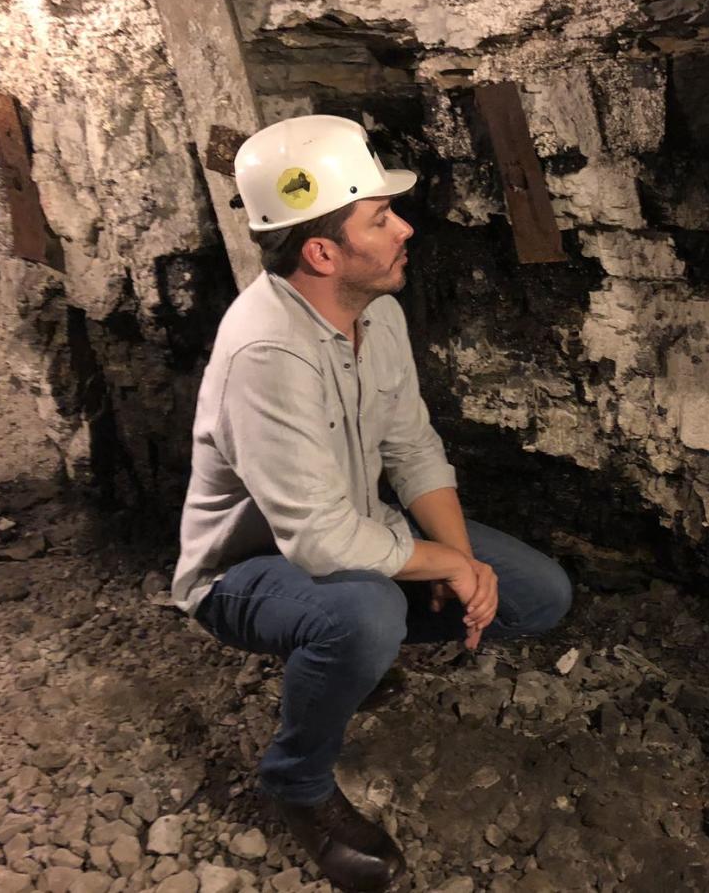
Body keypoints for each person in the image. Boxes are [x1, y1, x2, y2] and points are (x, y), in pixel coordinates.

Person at [170, 115, 572, 892]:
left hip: (350, 532)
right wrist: (441, 565)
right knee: (363, 615)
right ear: (323, 252)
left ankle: (346, 658)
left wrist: (464, 563)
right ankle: (297, 783)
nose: (404, 227)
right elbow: (318, 541)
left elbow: (412, 448)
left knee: (538, 595)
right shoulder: (267, 353)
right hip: (246, 569)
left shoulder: (373, 311)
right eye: (381, 218)